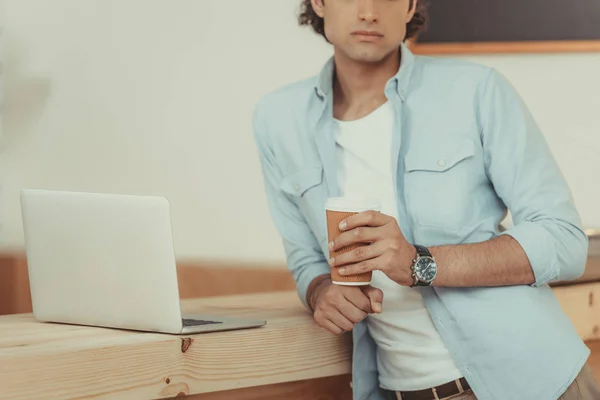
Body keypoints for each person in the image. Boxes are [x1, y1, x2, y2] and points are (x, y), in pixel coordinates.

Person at [252, 0, 600, 399]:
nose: (368, 11)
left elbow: (564, 239)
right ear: (318, 2)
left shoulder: (477, 90)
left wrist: (420, 262)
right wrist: (320, 292)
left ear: (411, 5)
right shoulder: (277, 120)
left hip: (530, 383)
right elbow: (306, 259)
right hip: (397, 390)